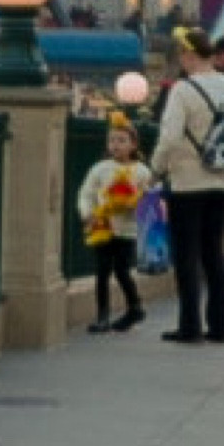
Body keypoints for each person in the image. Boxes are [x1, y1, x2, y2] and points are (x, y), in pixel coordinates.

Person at [152, 28, 224, 344]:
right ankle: (221, 326)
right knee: (214, 252)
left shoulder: (183, 90)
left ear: (190, 55)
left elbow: (169, 137)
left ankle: (190, 326)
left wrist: (156, 170)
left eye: (181, 55)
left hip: (188, 180)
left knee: (187, 254)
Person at [76, 113, 154, 333]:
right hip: (103, 226)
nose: (116, 145)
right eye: (112, 140)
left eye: (121, 140)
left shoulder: (141, 171)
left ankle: (135, 306)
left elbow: (148, 200)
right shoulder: (100, 168)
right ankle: (102, 315)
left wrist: (136, 204)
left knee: (121, 270)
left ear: (133, 144)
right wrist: (87, 213)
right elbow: (86, 193)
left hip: (127, 230)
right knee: (101, 271)